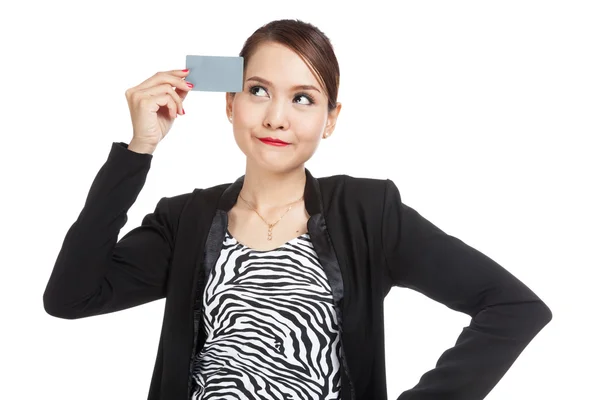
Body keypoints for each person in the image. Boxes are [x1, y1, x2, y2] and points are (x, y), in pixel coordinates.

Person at [43, 19, 552, 400]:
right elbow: (71, 296)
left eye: (303, 98)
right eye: (258, 91)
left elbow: (513, 308)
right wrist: (138, 150)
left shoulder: (369, 212)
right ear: (230, 104)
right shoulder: (186, 219)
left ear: (331, 120)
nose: (276, 117)